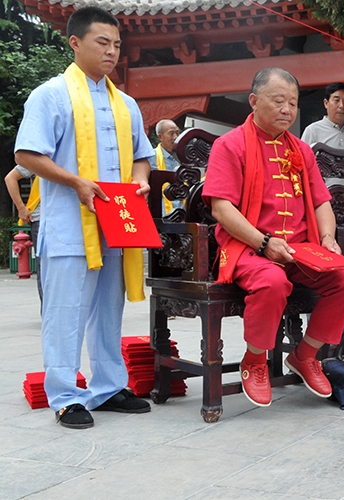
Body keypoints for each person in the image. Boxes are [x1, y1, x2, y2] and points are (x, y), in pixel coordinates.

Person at [14, 6, 153, 429]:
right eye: (102, 43)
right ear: (75, 43)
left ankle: (109, 386)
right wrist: (76, 183)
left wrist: (139, 182)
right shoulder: (50, 95)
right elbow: (26, 154)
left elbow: (142, 157)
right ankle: (64, 395)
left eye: (116, 45)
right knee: (66, 311)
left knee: (108, 310)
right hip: (69, 226)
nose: (111, 51)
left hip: (115, 224)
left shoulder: (126, 103)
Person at [203, 68, 344, 408]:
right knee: (273, 282)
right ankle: (255, 360)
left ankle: (305, 355)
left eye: (292, 102)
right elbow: (221, 209)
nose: (287, 109)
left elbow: (321, 201)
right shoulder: (229, 145)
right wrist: (263, 242)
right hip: (249, 248)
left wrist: (329, 239)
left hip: (301, 250)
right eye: (278, 101)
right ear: (254, 101)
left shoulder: (301, 150)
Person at [5, 165, 43, 305]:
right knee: (45, 268)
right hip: (41, 220)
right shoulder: (43, 156)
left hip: (71, 220)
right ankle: (47, 313)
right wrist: (21, 208)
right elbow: (10, 178)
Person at [300, 82, 344, 148]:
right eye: (336, 100)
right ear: (326, 103)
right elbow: (302, 157)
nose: (341, 105)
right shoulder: (312, 131)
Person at [148, 119, 183, 213]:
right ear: (160, 136)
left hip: (182, 214)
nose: (175, 137)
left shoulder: (183, 158)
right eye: (171, 133)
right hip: (159, 213)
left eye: (177, 133)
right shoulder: (150, 157)